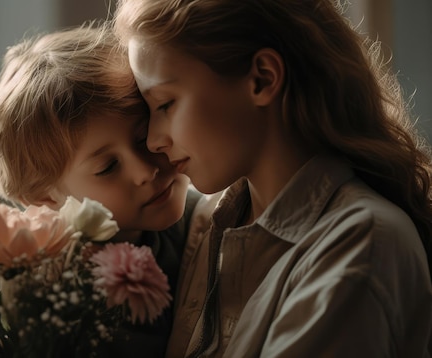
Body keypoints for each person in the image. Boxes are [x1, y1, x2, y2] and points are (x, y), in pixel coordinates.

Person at [113, 0, 432, 357]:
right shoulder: (204, 222)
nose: (155, 140)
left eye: (166, 104)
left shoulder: (360, 248)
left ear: (262, 78)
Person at [0, 20, 216, 358]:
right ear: (46, 199)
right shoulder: (38, 287)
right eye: (108, 167)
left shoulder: (215, 216)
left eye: (144, 138)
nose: (145, 170)